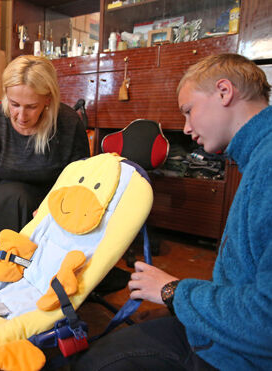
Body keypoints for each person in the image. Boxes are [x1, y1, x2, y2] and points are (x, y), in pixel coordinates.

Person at [71, 53, 272, 370]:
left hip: (236, 356)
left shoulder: (268, 166)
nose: (187, 127)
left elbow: (266, 321)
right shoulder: (259, 157)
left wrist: (172, 292)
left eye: (189, 111)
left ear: (224, 92)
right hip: (222, 334)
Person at [0, 55, 89, 278]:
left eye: (31, 107)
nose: (21, 116)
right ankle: (4, 267)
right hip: (10, 203)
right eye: (14, 104)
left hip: (56, 203)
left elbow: (81, 184)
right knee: (12, 195)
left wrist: (51, 209)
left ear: (48, 99)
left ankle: (39, 274)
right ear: (6, 96)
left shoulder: (69, 124)